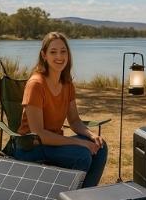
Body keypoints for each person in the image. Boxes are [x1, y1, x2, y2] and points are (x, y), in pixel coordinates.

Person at [13, 32, 108, 188]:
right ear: (44, 55)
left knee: (100, 147)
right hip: (32, 146)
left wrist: (91, 136)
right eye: (53, 52)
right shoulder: (36, 85)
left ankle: (83, 197)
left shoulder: (67, 84)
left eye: (63, 51)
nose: (59, 56)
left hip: (53, 143)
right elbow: (39, 134)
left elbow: (75, 121)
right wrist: (78, 142)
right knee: (82, 155)